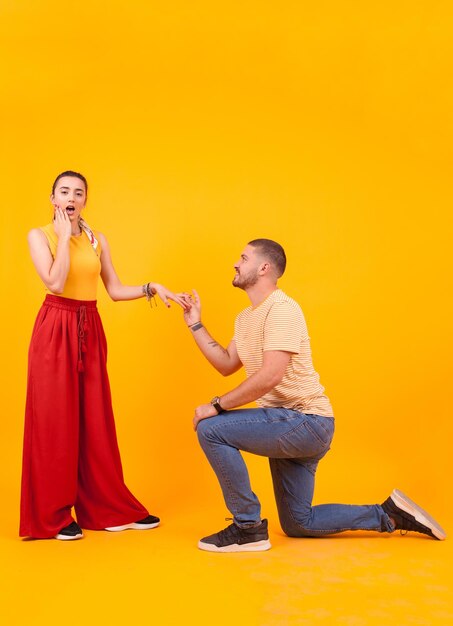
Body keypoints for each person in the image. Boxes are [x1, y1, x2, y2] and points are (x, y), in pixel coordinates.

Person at [182, 238, 446, 552]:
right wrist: (195, 323)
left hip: (306, 422)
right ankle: (388, 515)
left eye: (243, 257)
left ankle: (247, 527)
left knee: (212, 429)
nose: (236, 263)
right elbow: (226, 364)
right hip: (286, 425)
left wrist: (216, 405)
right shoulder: (246, 318)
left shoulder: (282, 310)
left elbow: (270, 375)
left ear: (264, 267)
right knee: (298, 522)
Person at [21, 170, 188, 541]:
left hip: (89, 327)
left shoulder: (98, 240)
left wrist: (151, 287)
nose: (71, 197)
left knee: (95, 419)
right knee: (55, 420)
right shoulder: (41, 235)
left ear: (85, 201)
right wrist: (64, 238)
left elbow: (113, 289)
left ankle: (108, 509)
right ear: (53, 199)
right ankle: (54, 516)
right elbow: (54, 281)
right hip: (55, 327)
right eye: (64, 191)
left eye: (78, 192)